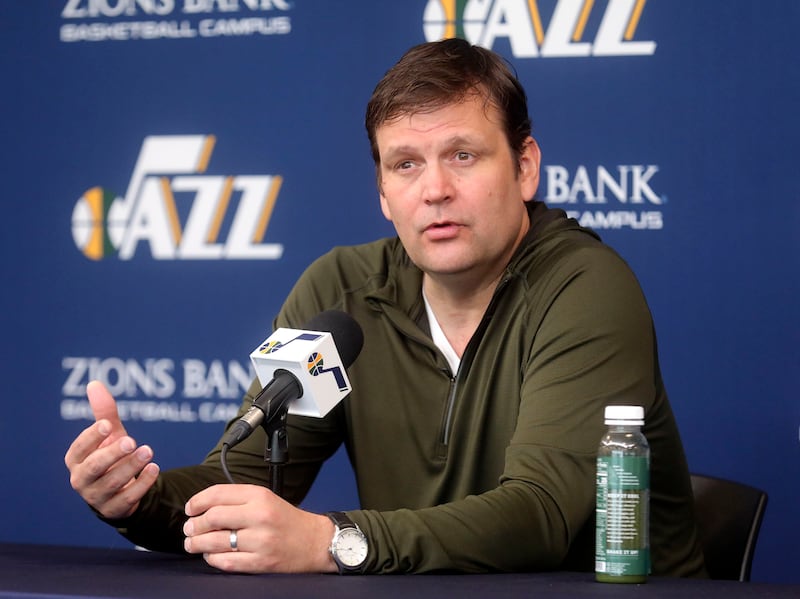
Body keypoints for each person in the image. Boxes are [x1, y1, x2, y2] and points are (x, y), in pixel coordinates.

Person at [65, 38, 706, 576]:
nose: (435, 189)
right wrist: (137, 499)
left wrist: (331, 542)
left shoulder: (585, 286)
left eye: (462, 155)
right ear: (382, 192)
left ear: (525, 166)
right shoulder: (340, 292)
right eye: (405, 164)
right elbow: (250, 482)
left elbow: (540, 516)